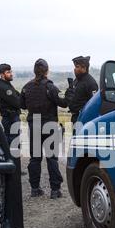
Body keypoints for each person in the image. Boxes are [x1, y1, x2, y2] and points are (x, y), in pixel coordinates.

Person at [21, 59, 68, 199]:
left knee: (35, 158)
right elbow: (64, 103)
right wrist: (70, 91)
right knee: (51, 158)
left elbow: (22, 105)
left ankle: (35, 188)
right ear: (47, 71)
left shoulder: (26, 87)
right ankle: (55, 190)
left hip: (34, 124)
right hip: (49, 124)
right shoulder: (50, 87)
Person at [65, 56, 99, 124]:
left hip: (84, 119)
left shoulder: (91, 83)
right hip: (74, 118)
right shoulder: (77, 80)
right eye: (75, 67)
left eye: (77, 67)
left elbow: (94, 104)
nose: (74, 69)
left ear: (84, 68)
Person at [0, 64, 22, 145]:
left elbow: (18, 95)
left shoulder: (7, 84)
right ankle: (13, 158)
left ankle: (13, 157)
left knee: (12, 139)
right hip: (10, 118)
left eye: (11, 71)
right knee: (13, 141)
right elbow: (18, 103)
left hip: (11, 117)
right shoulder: (4, 87)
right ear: (2, 75)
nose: (11, 74)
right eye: (8, 72)